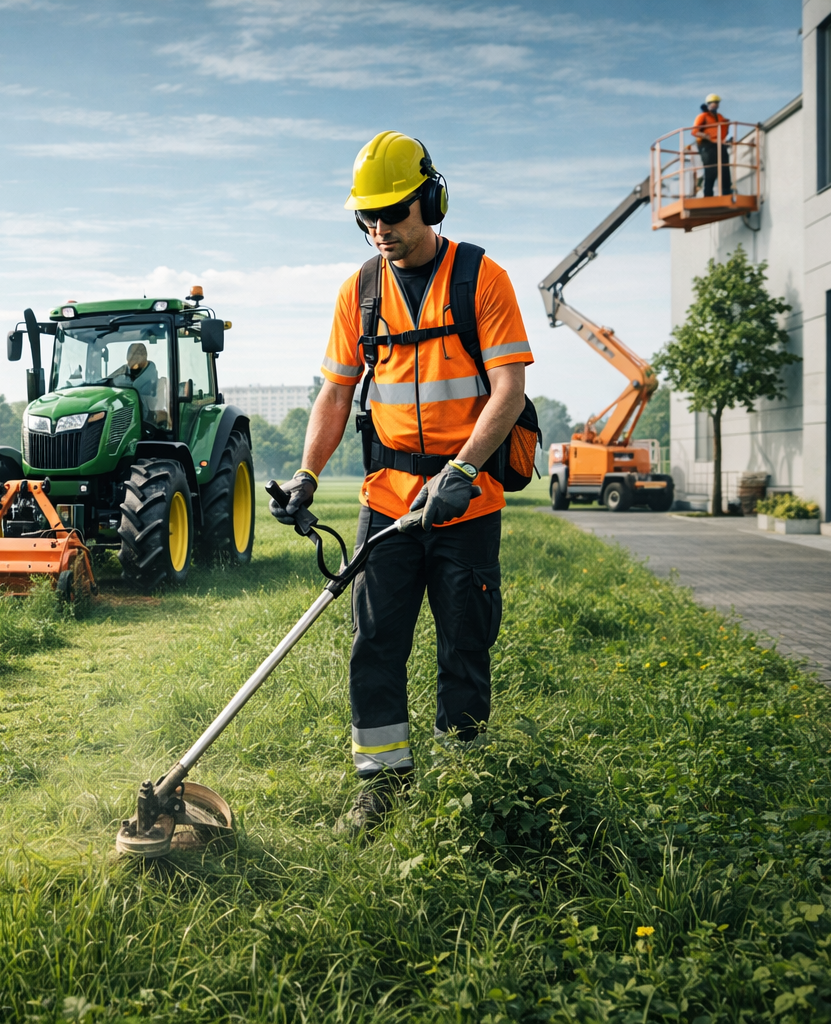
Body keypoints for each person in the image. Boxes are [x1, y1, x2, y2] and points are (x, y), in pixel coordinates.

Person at [269, 130, 533, 832]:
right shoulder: (358, 293)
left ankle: (463, 787)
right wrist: (305, 476)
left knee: (464, 646)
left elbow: (508, 390)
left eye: (392, 214)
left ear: (431, 200)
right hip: (386, 504)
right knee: (375, 645)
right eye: (366, 218)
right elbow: (334, 393)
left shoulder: (483, 278)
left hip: (465, 502)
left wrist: (464, 469)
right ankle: (381, 787)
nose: (379, 230)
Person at [112, 341, 165, 425]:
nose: (135, 357)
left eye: (139, 353)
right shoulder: (120, 376)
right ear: (127, 358)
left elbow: (159, 411)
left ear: (145, 356)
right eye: (133, 354)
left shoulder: (158, 384)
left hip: (149, 426)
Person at [694, 94, 730, 198]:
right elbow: (694, 131)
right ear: (709, 104)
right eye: (715, 103)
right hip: (706, 145)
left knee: (724, 166)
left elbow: (723, 128)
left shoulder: (719, 117)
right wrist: (707, 136)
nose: (716, 105)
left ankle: (726, 191)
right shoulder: (703, 116)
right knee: (711, 169)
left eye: (717, 103)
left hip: (718, 144)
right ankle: (708, 194)